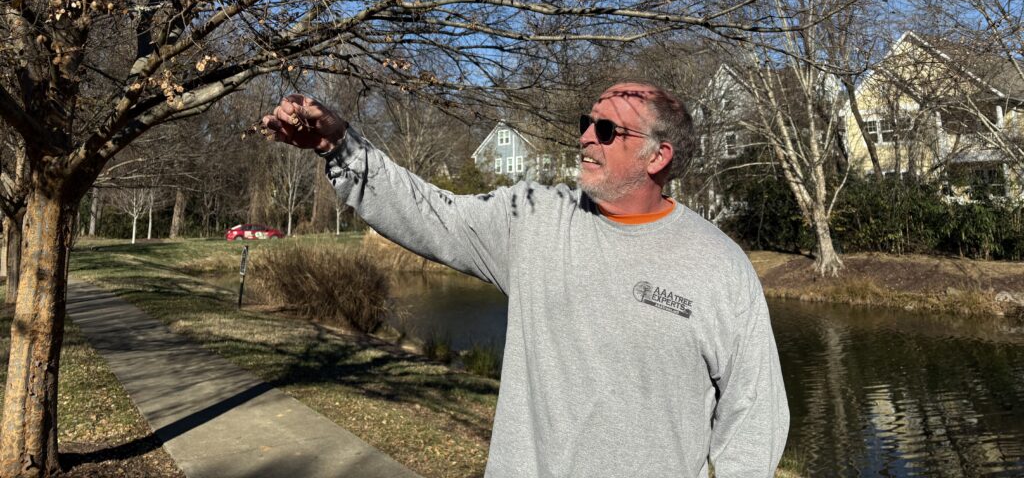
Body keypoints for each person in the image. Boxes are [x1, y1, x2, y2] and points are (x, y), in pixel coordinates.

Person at [261, 82, 789, 477]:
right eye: (588, 122)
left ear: (659, 156)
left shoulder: (719, 265)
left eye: (606, 130)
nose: (586, 137)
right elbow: (431, 214)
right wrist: (340, 149)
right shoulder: (534, 218)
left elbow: (753, 413)